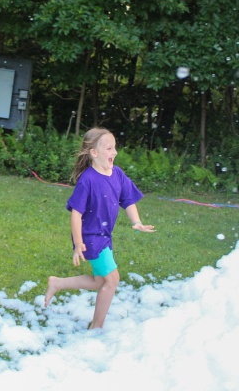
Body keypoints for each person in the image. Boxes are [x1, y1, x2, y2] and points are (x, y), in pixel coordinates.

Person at [44, 127, 155, 329]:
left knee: (99, 281)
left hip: (104, 234)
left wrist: (136, 222)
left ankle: (57, 283)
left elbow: (128, 199)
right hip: (91, 237)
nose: (114, 153)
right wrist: (78, 244)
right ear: (94, 153)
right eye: (109, 148)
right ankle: (96, 326)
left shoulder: (117, 174)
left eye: (115, 148)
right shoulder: (87, 180)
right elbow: (76, 214)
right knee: (112, 280)